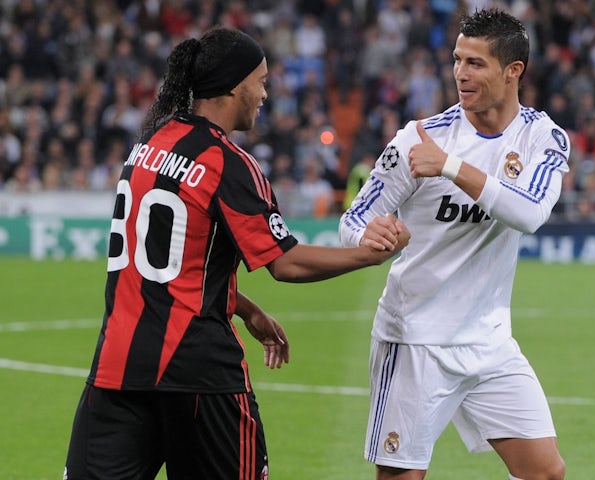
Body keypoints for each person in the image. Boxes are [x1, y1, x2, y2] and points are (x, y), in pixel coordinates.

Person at [63, 26, 409, 480]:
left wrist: (243, 307)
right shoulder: (226, 162)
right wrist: (369, 255)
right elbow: (285, 263)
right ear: (233, 85)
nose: (267, 92)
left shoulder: (148, 146)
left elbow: (168, 260)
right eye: (261, 81)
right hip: (200, 376)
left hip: (117, 368)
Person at [339, 9, 569, 480]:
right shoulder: (418, 139)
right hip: (415, 340)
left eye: (476, 63)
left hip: (488, 341)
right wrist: (368, 234)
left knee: (545, 472)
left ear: (514, 70)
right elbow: (355, 217)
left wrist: (449, 167)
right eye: (457, 60)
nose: (461, 73)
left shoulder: (540, 137)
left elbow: (528, 213)